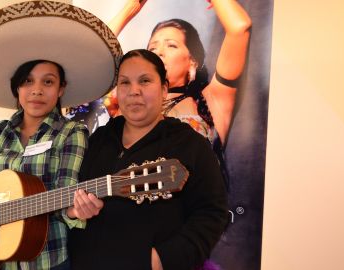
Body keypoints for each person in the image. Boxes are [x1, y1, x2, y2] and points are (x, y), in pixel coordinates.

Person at [0, 1, 122, 269]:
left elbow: (66, 194)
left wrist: (76, 210)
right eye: (28, 81)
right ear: (17, 88)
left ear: (61, 88)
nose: (37, 90)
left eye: (48, 81)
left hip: (47, 261)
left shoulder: (71, 133)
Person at [68, 49, 228, 270]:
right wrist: (75, 211)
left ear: (164, 88)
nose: (134, 91)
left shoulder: (190, 145)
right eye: (125, 83)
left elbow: (212, 214)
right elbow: (73, 199)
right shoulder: (98, 140)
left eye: (144, 81)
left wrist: (163, 259)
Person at [107, 0, 251, 147]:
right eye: (152, 49)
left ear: (192, 62)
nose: (159, 53)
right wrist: (130, 9)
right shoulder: (128, 102)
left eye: (171, 45)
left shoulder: (212, 100)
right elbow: (88, 61)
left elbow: (239, 28)